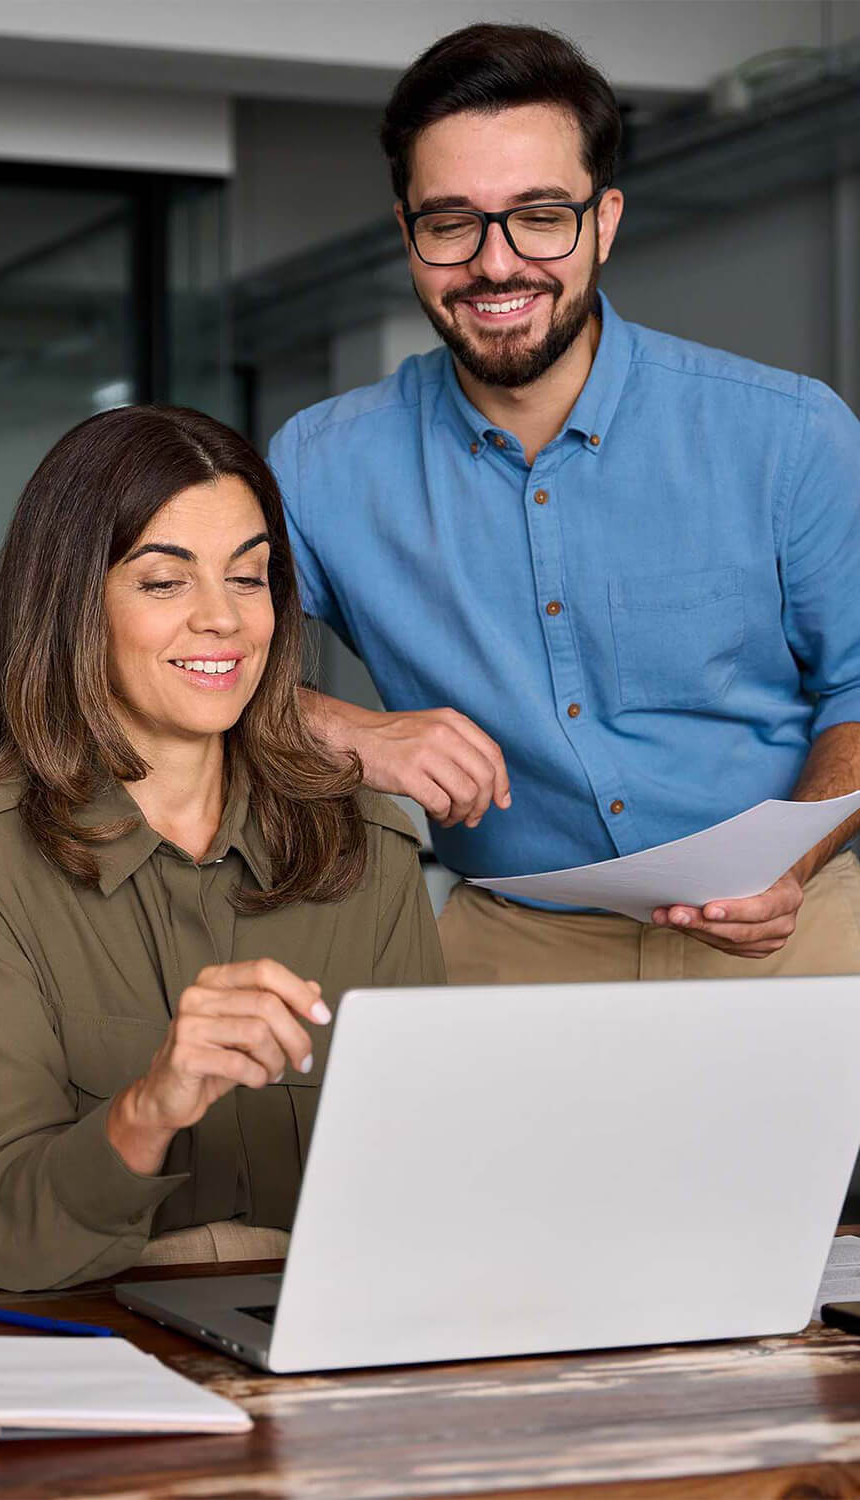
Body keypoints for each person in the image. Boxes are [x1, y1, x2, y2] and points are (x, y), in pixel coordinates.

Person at [269, 22, 860, 986]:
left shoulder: (789, 434)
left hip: (787, 923)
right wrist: (349, 729)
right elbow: (185, 665)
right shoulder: (320, 465)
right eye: (452, 222)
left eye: (541, 215)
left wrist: (782, 867)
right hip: (511, 935)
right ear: (406, 234)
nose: (497, 265)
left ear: (606, 221)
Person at [0, 406, 444, 1291]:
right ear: (75, 603)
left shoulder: (366, 844)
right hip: (67, 1309)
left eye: (250, 577)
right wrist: (150, 1106)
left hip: (315, 1307)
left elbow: (432, 1182)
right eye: (163, 582)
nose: (223, 620)